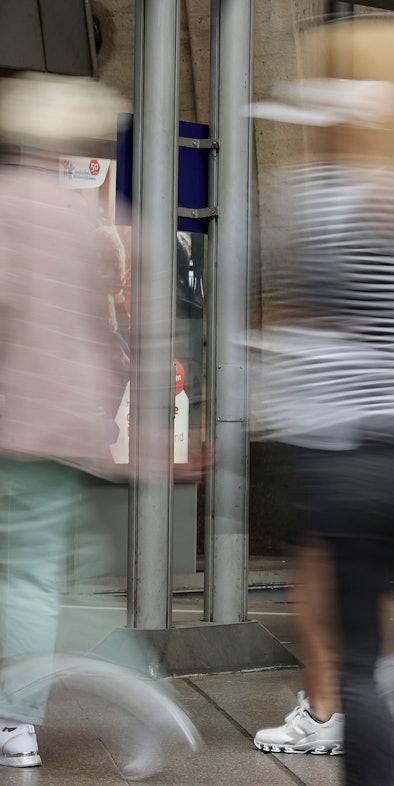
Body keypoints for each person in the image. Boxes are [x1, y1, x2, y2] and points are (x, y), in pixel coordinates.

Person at [249, 15, 394, 784]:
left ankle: (351, 725)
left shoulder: (310, 197)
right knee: (369, 639)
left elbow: (293, 311)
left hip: (340, 456)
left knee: (353, 657)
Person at [0, 72, 125, 768]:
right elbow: (107, 336)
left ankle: (14, 717)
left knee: (17, 577)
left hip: (12, 418)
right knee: (33, 576)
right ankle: (16, 722)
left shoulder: (6, 206)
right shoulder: (85, 221)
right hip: (67, 426)